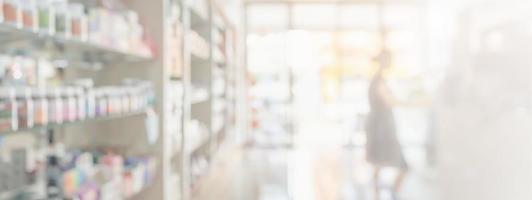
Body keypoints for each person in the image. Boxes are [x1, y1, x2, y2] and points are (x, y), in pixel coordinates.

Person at [365, 49, 408, 199]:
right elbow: (391, 101)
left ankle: (383, 195)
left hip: (380, 127)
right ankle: (388, 195)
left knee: (379, 164)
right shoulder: (378, 81)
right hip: (381, 129)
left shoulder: (378, 79)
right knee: (395, 165)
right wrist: (413, 102)